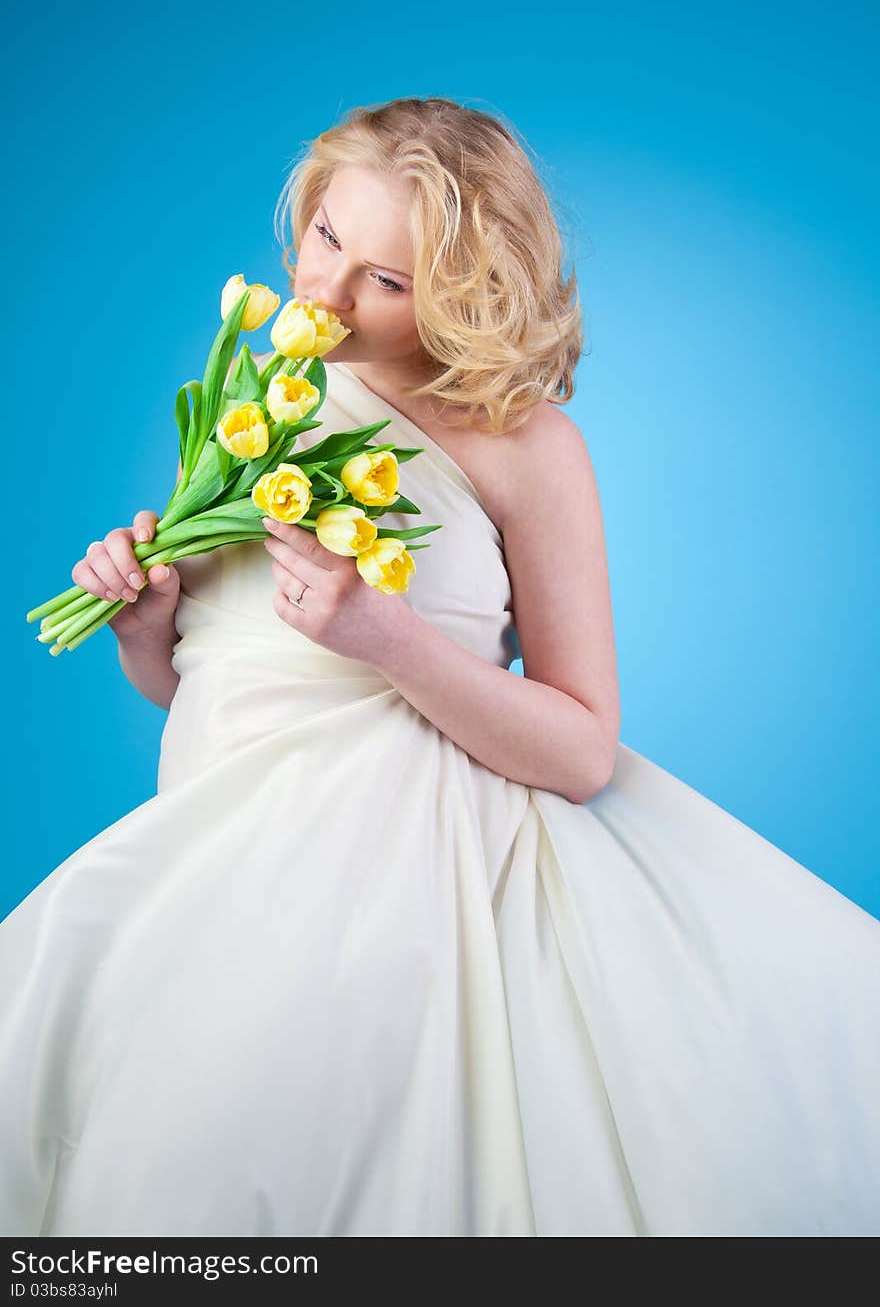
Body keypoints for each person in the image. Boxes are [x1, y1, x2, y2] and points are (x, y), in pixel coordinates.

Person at [2, 96, 879, 1238]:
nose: (324, 294)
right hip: (208, 856)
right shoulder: (259, 402)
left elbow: (579, 748)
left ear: (466, 293)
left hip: (404, 894)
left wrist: (387, 636)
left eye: (387, 279)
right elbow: (221, 692)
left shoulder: (523, 444)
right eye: (327, 239)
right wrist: (145, 624)